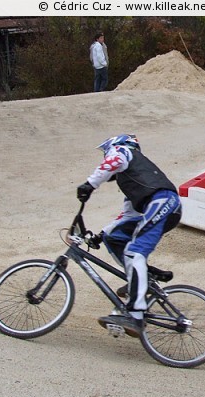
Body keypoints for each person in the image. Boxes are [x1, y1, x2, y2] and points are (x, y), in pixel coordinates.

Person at [76, 135, 182, 335]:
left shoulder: (124, 151)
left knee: (135, 252)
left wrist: (90, 184)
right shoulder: (131, 182)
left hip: (163, 202)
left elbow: (113, 161)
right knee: (115, 237)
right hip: (162, 206)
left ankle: (135, 314)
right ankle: (143, 277)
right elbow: (127, 216)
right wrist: (101, 235)